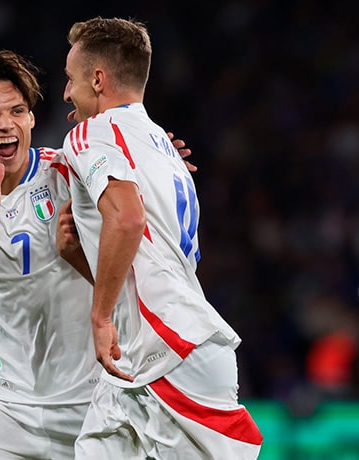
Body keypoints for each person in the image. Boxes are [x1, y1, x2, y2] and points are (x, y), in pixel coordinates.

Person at [0, 50, 193, 459]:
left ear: (31, 119)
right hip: (10, 403)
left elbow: (128, 195)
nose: (6, 124)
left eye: (17, 111)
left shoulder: (69, 171)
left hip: (97, 403)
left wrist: (156, 161)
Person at [58, 17, 263, 459]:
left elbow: (128, 221)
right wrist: (76, 250)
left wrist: (100, 317)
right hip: (136, 362)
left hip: (170, 350)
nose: (65, 95)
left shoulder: (91, 134)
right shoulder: (160, 145)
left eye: (70, 80)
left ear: (98, 79)